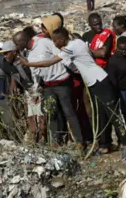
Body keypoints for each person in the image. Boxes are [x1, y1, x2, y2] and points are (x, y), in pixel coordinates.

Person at [26, 26, 126, 158]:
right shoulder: (76, 43)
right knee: (99, 115)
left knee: (112, 113)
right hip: (93, 83)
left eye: (55, 41)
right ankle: (105, 145)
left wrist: (28, 64)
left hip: (100, 81)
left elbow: (48, 63)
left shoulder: (71, 48)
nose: (54, 44)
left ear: (62, 39)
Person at [27, 16, 84, 147]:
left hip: (61, 82)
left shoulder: (55, 43)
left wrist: (76, 70)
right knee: (51, 113)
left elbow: (64, 59)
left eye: (45, 28)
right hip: (48, 85)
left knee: (69, 112)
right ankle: (56, 142)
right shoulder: (41, 41)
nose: (42, 30)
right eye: (42, 27)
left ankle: (80, 142)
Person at [107, 36, 126, 137]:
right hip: (120, 92)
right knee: (124, 115)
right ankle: (124, 139)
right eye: (121, 49)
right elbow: (113, 80)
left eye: (125, 49)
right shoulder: (113, 60)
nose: (123, 52)